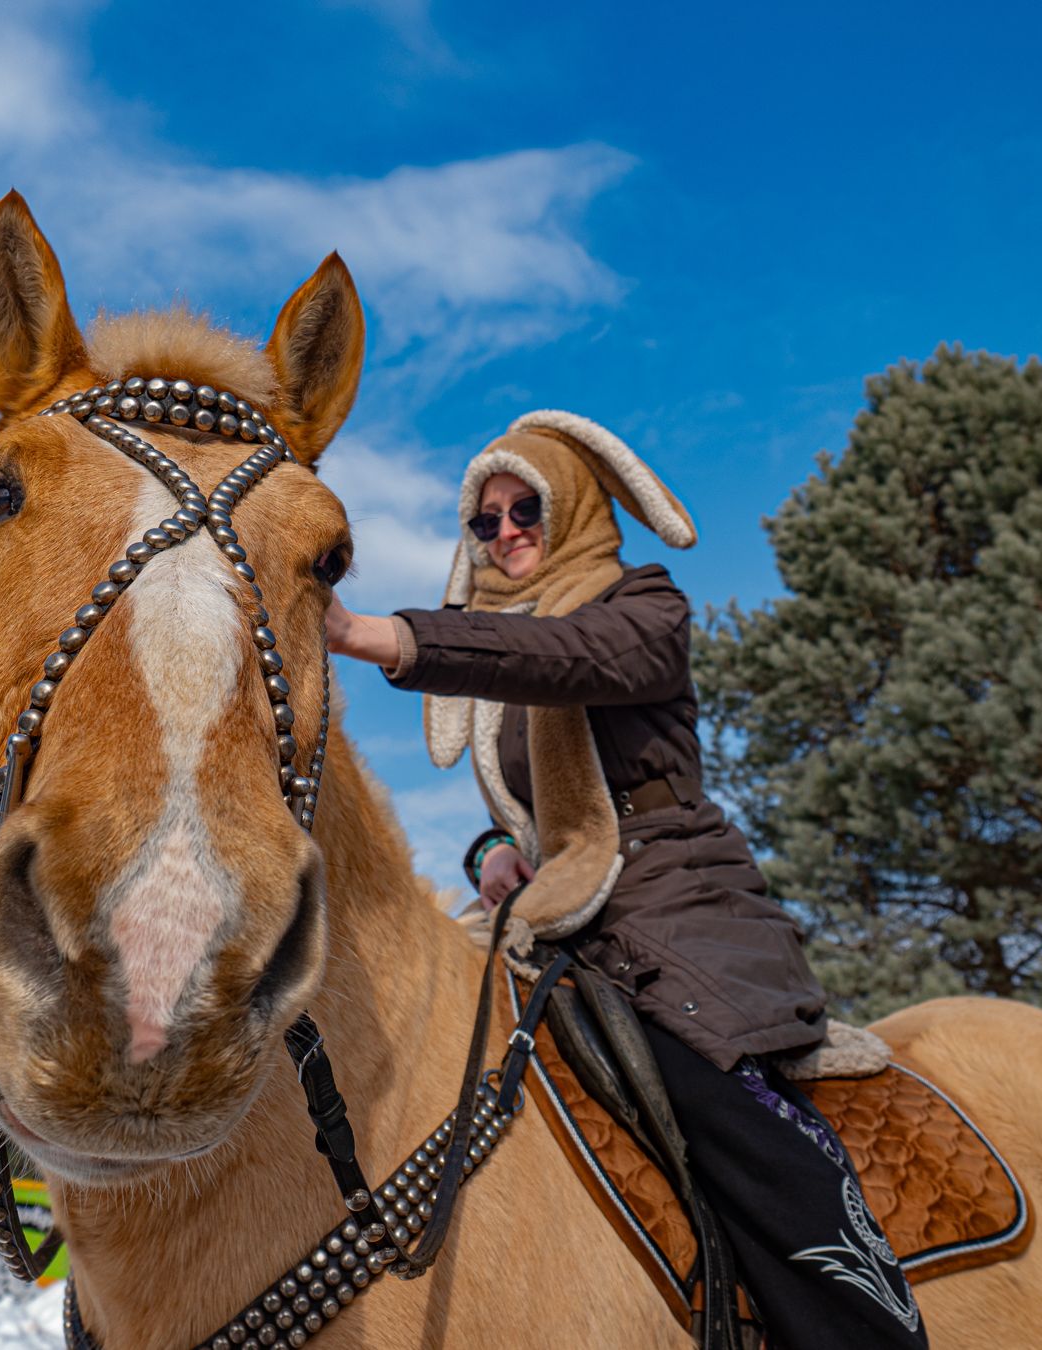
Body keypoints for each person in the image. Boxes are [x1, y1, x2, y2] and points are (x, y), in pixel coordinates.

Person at [325, 410, 927, 1350]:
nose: (506, 531)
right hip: (559, 912)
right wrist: (489, 857)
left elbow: (574, 660)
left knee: (712, 1096)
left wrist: (379, 636)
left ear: (576, 506)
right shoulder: (510, 647)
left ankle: (864, 1328)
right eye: (484, 523)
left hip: (678, 908)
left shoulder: (644, 609)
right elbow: (522, 816)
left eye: (526, 507)